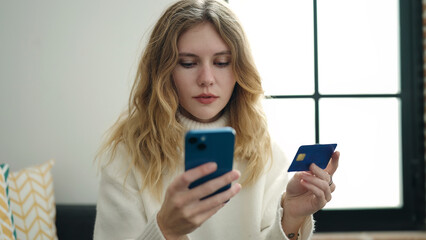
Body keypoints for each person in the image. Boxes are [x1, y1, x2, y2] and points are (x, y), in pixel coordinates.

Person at [93, 0, 340, 239]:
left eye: (222, 62)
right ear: (164, 71)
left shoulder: (267, 153)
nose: (206, 78)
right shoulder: (126, 156)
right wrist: (165, 229)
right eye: (188, 63)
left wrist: (292, 218)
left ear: (239, 70)